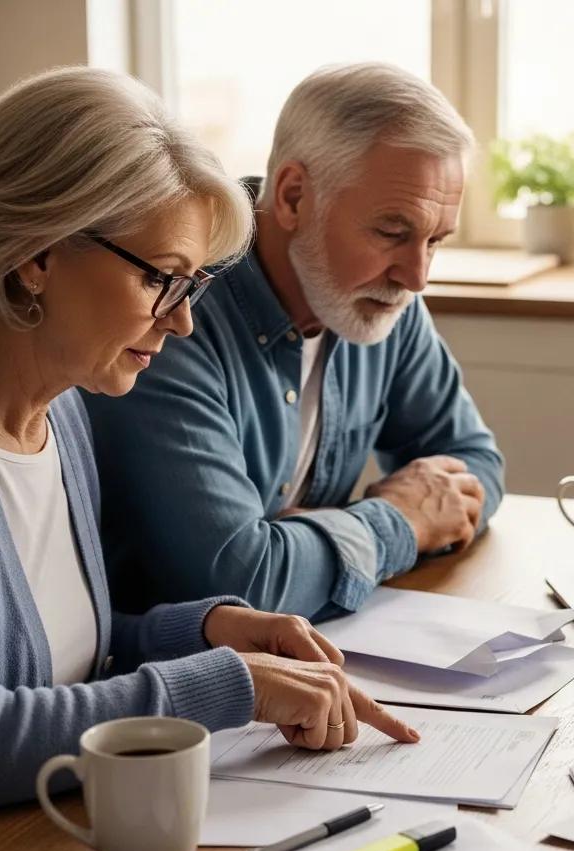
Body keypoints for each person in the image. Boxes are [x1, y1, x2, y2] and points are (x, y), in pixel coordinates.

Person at [0, 67, 417, 829]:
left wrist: (204, 630)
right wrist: (227, 686)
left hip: (47, 839)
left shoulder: (63, 410)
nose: (179, 323)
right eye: (164, 280)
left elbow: (59, 660)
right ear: (38, 252)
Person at [84, 62, 505, 621]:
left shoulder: (383, 302)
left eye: (436, 240)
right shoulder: (172, 309)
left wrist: (309, 542)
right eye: (391, 232)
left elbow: (476, 464)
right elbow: (243, 584)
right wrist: (398, 520)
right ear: (293, 196)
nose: (417, 276)